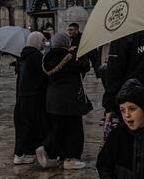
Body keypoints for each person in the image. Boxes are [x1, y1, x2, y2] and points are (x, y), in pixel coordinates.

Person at [36, 31, 92, 169]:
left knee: (58, 129)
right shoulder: (67, 57)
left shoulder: (47, 57)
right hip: (69, 100)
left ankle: (50, 150)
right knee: (74, 130)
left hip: (52, 100)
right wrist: (80, 54)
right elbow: (85, 66)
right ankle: (70, 159)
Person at [12, 32, 48, 165]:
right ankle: (35, 149)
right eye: (43, 41)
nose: (44, 44)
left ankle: (20, 154)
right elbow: (45, 76)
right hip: (34, 97)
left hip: (22, 97)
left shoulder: (23, 57)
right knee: (34, 125)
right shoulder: (36, 57)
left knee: (23, 126)